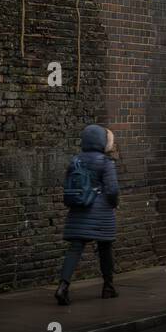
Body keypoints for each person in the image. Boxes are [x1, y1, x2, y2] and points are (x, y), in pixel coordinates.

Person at [55, 125, 120, 305]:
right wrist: (114, 204)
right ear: (102, 142)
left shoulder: (75, 160)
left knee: (74, 249)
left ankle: (63, 286)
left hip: (78, 209)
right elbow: (112, 189)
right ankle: (108, 287)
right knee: (105, 249)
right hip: (101, 213)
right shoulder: (105, 162)